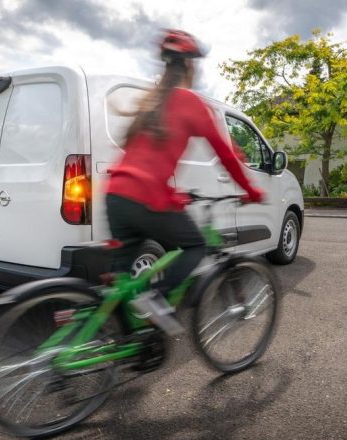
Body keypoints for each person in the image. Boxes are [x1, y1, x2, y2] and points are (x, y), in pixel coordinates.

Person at [105, 29, 265, 335]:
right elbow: (225, 154)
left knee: (121, 283)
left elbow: (144, 161)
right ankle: (156, 299)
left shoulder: (151, 102)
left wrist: (171, 194)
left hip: (116, 196)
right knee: (195, 245)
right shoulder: (190, 102)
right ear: (190, 65)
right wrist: (252, 190)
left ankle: (124, 342)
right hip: (145, 197)